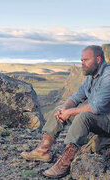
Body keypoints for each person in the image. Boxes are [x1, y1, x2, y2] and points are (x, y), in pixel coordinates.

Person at [21, 45, 110, 178]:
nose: (82, 64)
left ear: (98, 59)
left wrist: (70, 112)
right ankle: (43, 150)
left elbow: (97, 107)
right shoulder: (91, 77)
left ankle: (65, 162)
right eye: (81, 61)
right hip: (99, 119)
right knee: (60, 108)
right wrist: (65, 109)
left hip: (107, 121)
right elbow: (76, 97)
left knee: (82, 117)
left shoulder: (108, 76)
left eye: (86, 60)